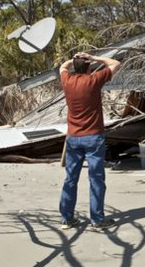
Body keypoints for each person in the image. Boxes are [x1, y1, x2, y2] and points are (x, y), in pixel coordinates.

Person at [58, 52, 121, 230]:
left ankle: (67, 219)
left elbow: (62, 67)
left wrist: (75, 59)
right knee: (96, 179)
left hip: (73, 138)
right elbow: (115, 63)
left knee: (71, 178)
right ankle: (97, 219)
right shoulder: (93, 80)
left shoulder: (67, 81)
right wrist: (93, 58)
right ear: (89, 67)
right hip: (93, 136)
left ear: (75, 67)